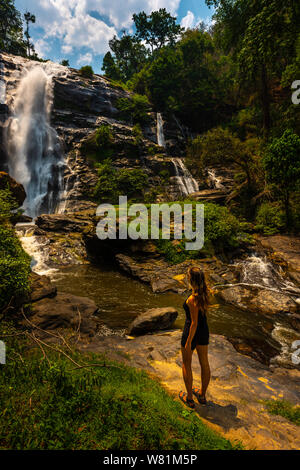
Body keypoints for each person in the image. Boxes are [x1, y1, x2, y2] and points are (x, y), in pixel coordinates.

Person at [179, 266, 210, 408]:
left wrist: (189, 341)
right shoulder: (205, 293)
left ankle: (190, 398)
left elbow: (193, 323)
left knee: (186, 364)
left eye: (187, 275)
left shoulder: (192, 299)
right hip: (204, 331)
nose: (186, 277)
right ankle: (202, 395)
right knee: (204, 363)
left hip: (192, 332)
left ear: (191, 279)